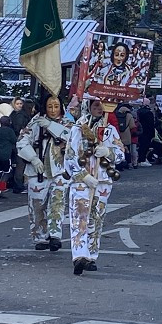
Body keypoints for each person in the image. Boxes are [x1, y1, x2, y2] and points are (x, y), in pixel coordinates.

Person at [67, 99, 125, 274]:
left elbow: (121, 153)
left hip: (103, 180)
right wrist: (83, 175)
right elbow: (69, 156)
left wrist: (108, 152)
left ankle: (92, 255)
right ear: (88, 107)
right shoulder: (77, 129)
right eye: (95, 106)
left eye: (101, 106)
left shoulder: (110, 130)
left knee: (97, 218)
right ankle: (79, 255)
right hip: (82, 181)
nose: (99, 109)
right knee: (80, 217)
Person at [18, 95, 73, 252]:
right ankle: (41, 236)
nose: (53, 110)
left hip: (60, 170)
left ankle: (55, 235)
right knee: (37, 205)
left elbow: (72, 138)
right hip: (38, 171)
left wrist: (50, 125)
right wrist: (33, 158)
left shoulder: (67, 121)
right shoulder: (36, 121)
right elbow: (22, 141)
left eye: (56, 106)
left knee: (57, 203)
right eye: (50, 106)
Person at [0, 118, 17, 198]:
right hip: (6, 154)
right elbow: (14, 140)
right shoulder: (9, 131)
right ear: (9, 122)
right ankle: (0, 189)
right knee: (7, 172)